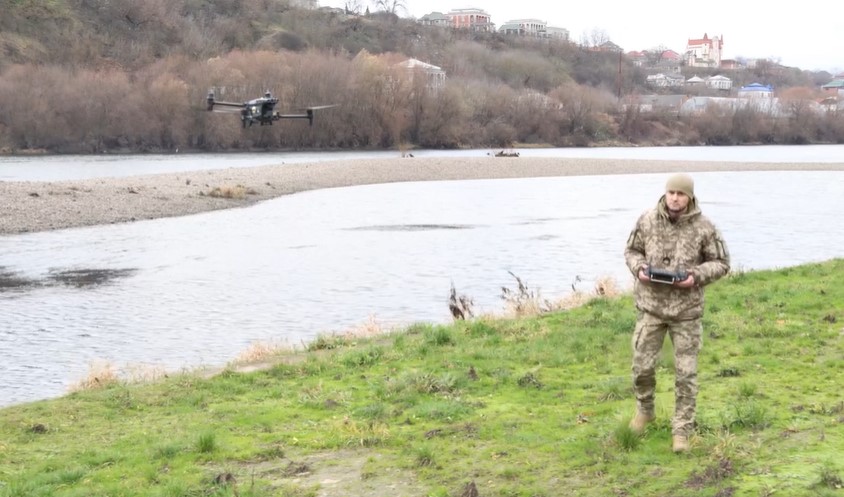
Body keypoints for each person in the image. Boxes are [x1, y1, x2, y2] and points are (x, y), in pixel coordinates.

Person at [623, 173, 730, 453]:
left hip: (686, 312)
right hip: (651, 308)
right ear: (665, 193)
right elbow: (631, 251)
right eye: (671, 192)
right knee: (641, 367)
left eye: (681, 194)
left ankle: (681, 430)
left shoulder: (705, 227)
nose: (675, 198)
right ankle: (645, 411)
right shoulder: (646, 219)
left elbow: (721, 262)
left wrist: (695, 277)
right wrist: (640, 270)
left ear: (690, 197)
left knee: (686, 374)